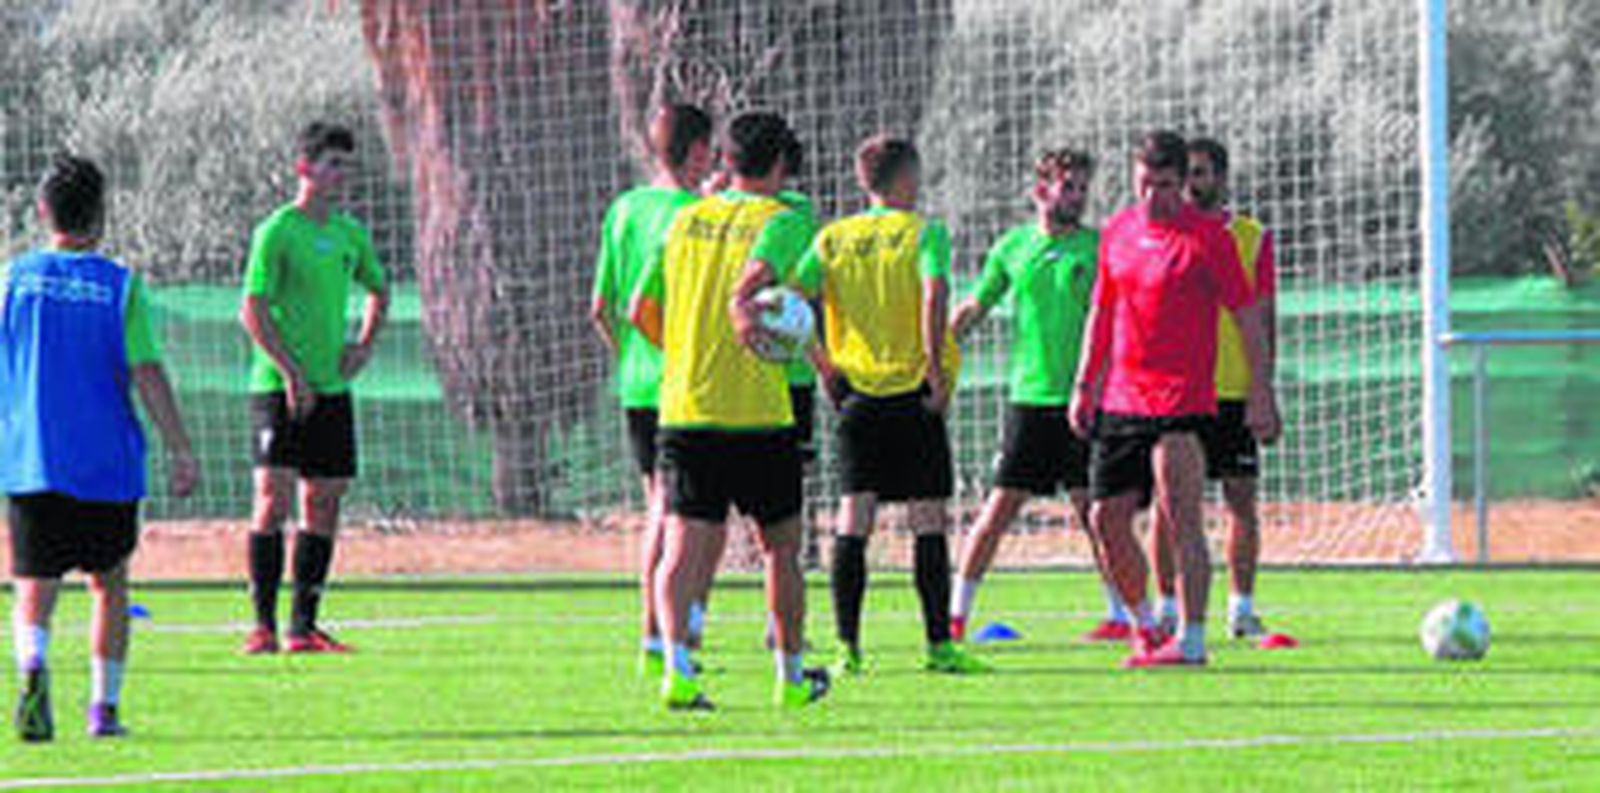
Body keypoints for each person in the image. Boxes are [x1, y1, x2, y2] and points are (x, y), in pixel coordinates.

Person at [629, 111, 829, 710]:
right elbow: (756, 279)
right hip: (759, 413)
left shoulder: (685, 218)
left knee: (683, 545)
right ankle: (791, 680)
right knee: (782, 548)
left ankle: (678, 671)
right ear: (779, 165)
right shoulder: (785, 220)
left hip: (685, 406)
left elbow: (639, 307)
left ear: (727, 159)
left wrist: (689, 351)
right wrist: (749, 314)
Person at [3, 154, 199, 741]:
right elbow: (146, 370)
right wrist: (180, 446)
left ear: (43, 211)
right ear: (103, 214)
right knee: (108, 582)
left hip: (31, 457)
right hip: (107, 464)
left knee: (34, 587)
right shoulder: (120, 286)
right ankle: (103, 710)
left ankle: (34, 670)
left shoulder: (11, 279)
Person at [1068, 130, 1279, 668]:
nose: (1153, 196)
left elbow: (1247, 317)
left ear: (1182, 183)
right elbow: (1102, 312)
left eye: (1164, 185)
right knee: (1104, 518)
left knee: (1181, 516)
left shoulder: (1210, 238)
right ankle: (1144, 625)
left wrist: (1261, 392)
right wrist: (1084, 384)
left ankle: (1191, 639)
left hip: (1182, 399)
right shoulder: (1117, 231)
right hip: (1120, 396)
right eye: (1144, 184)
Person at [800, 134, 986, 676]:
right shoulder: (924, 232)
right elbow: (935, 294)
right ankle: (937, 646)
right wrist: (934, 369)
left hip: (855, 395)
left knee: (854, 518)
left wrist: (825, 366)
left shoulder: (833, 238)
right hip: (912, 394)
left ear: (865, 182)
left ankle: (848, 649)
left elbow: (787, 301)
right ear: (907, 178)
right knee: (927, 517)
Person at [947, 148, 1130, 642]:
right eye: (1067, 186)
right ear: (1040, 190)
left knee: (1096, 513)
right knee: (999, 509)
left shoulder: (1100, 246)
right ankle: (956, 614)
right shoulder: (1012, 247)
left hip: (1087, 400)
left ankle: (1121, 614)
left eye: (1080, 188)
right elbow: (975, 305)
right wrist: (937, 345)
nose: (1076, 196)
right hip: (1029, 400)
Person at [238, 122, 391, 655]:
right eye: (332, 164)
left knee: (323, 501)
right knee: (272, 498)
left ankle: (303, 627)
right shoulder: (277, 230)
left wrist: (363, 346)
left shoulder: (350, 234)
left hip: (330, 389)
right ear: (305, 168)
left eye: (347, 165)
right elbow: (252, 310)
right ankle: (262, 625)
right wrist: (288, 371)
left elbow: (379, 288)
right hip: (276, 388)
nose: (341, 174)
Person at [589, 104, 715, 675]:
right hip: (681, 387)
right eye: (708, 151)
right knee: (672, 513)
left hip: (636, 386)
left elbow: (601, 308)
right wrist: (674, 358)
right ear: (694, 153)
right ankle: (659, 637)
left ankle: (671, 631)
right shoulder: (694, 216)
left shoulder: (623, 209)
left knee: (662, 508)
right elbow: (647, 308)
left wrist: (633, 364)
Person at [1149, 137, 1282, 639]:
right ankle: (1165, 607)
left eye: (1202, 173)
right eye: (1187, 175)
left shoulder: (1252, 237)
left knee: (1241, 501)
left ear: (1221, 178)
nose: (1192, 184)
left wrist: (1262, 389)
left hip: (1233, 391)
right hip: (1180, 393)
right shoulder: (1163, 237)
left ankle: (1241, 609)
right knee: (1169, 504)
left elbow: (1265, 316)